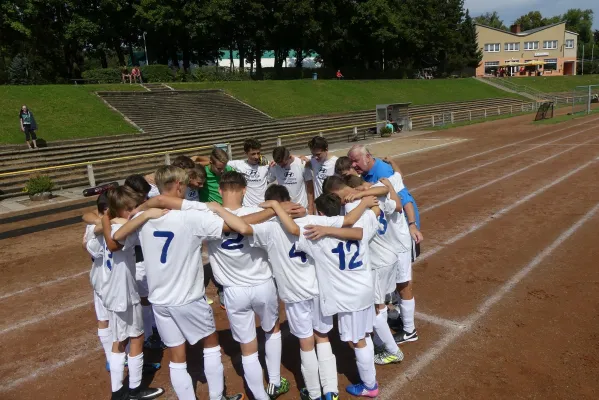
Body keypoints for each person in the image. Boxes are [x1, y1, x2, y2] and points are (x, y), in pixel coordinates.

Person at [113, 166, 246, 400]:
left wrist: (143, 212)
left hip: (159, 300)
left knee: (177, 354)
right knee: (210, 342)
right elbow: (233, 226)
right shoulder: (190, 216)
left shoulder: (143, 219)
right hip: (188, 297)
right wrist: (211, 207)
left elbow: (119, 237)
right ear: (178, 186)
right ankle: (218, 397)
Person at [270, 192, 380, 398]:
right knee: (364, 334)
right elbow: (367, 220)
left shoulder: (317, 237)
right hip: (366, 289)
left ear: (319, 213)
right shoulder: (359, 224)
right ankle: (360, 381)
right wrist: (366, 202)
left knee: (358, 340)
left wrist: (275, 208)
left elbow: (294, 231)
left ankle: (370, 385)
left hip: (348, 296)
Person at [101, 186, 165, 400]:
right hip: (123, 292)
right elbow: (115, 242)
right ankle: (134, 389)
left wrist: (107, 220)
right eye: (130, 208)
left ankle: (118, 391)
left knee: (120, 340)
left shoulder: (105, 226)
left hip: (111, 290)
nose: (134, 212)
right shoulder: (125, 230)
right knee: (135, 337)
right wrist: (145, 214)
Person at [83, 193, 112, 372]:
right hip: (106, 278)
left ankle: (113, 356)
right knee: (108, 319)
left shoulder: (93, 224)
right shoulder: (98, 228)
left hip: (101, 277)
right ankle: (114, 356)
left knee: (105, 318)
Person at [226, 138, 275, 207]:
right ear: (246, 153)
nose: (256, 157)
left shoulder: (266, 164)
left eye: (258, 153)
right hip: (247, 206)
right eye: (253, 154)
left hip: (263, 205)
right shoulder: (239, 164)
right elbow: (221, 162)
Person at [304, 136, 338, 214]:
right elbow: (297, 158)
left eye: (318, 154)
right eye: (313, 154)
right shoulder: (313, 160)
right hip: (318, 205)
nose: (316, 157)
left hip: (332, 205)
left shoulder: (335, 162)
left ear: (326, 149)